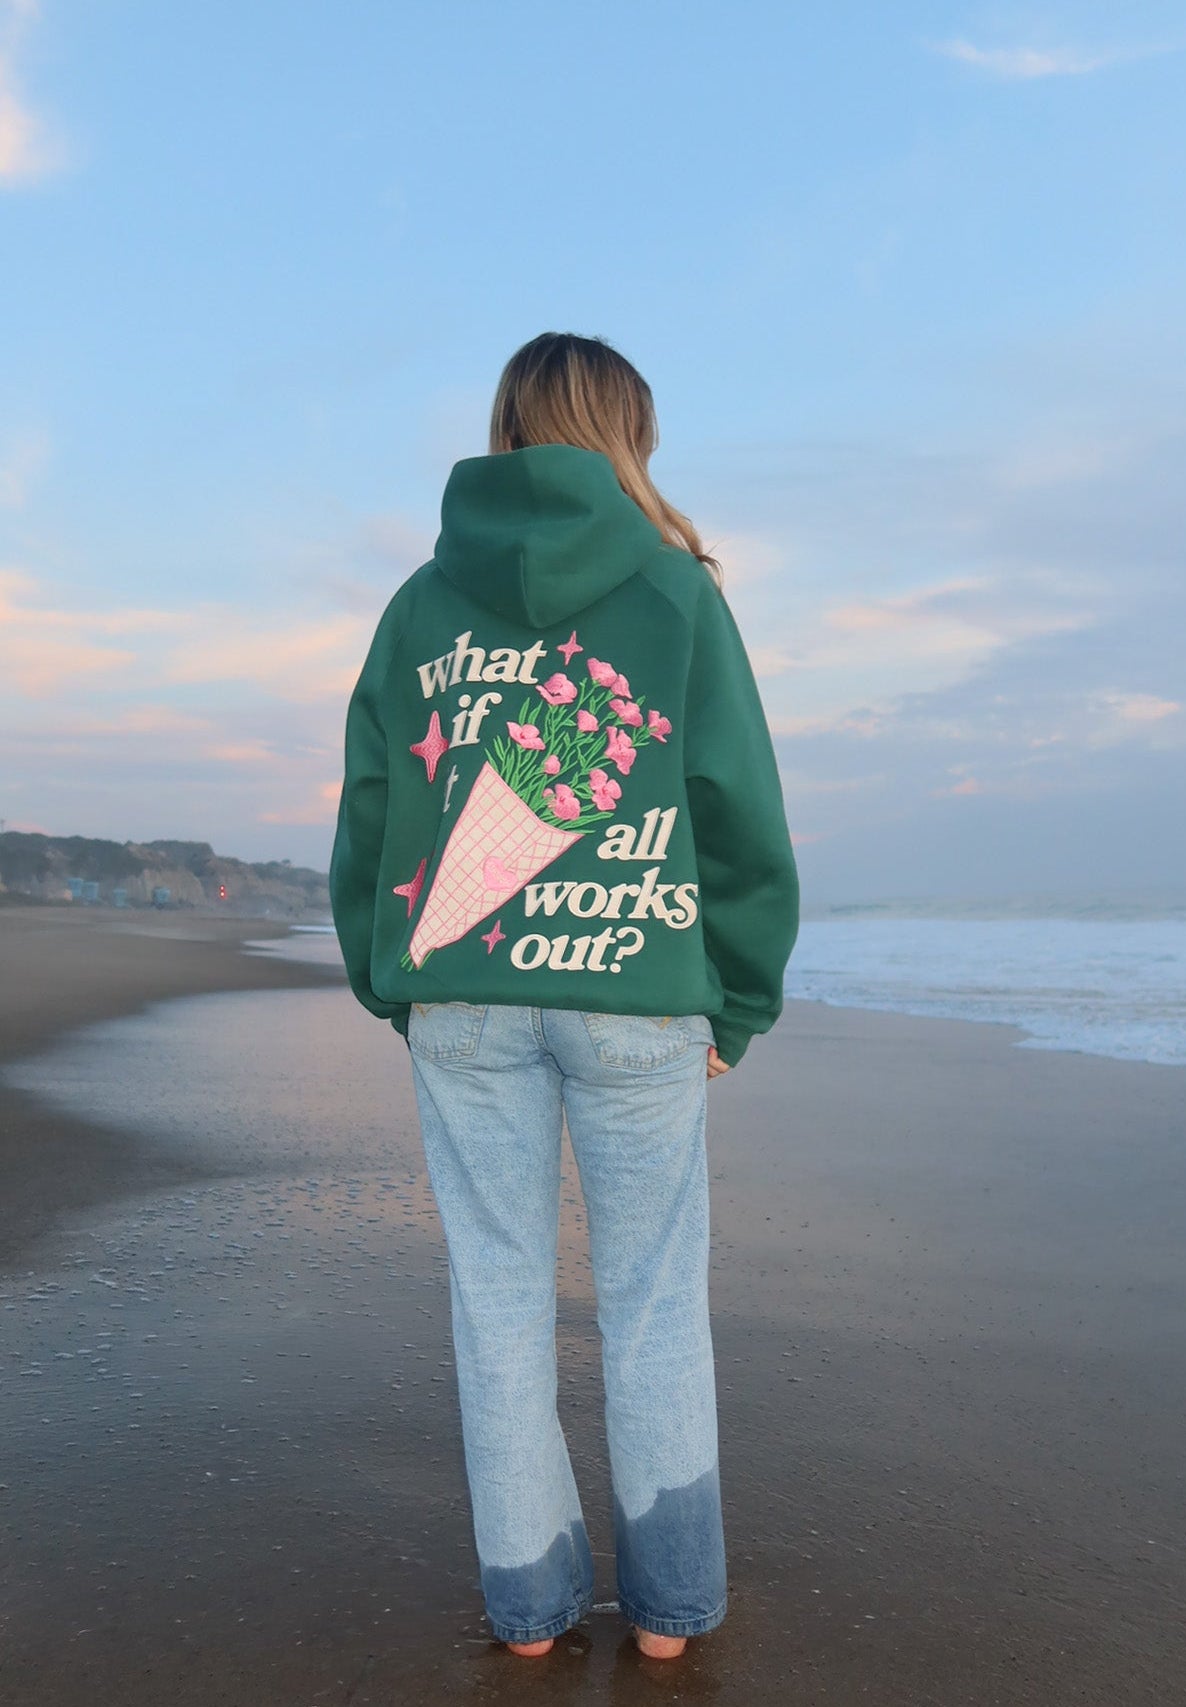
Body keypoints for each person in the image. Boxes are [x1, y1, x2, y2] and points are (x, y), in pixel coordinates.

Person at [329, 332, 800, 1661]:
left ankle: (529, 1616)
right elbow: (735, 810)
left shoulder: (422, 602)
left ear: (507, 424)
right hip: (638, 994)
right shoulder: (674, 592)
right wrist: (739, 999)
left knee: (496, 1302)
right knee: (655, 1306)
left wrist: (389, 976)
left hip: (463, 998)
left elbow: (373, 805)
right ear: (624, 438)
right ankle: (668, 1618)